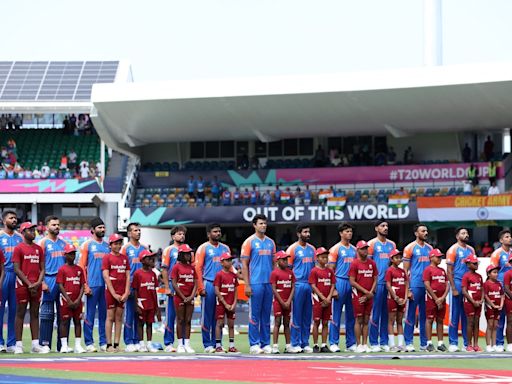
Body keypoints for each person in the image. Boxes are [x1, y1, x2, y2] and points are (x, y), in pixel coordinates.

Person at [241, 214, 276, 354]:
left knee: (266, 314)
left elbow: (274, 264)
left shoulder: (271, 242)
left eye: (265, 223)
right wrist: (246, 284)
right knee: (254, 315)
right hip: (255, 283)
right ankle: (254, 344)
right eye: (261, 223)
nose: (264, 226)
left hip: (268, 283)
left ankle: (265, 343)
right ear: (254, 225)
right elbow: (244, 264)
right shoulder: (249, 242)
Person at [12, 222, 49, 354]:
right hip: (23, 285)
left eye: (34, 230)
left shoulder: (39, 249)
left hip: (36, 286)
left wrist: (38, 283)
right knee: (20, 313)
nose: (33, 232)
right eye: (30, 230)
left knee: (35, 313)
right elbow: (17, 269)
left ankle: (35, 344)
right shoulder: (19, 248)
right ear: (23, 232)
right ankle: (18, 345)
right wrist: (29, 284)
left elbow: (43, 268)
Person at [195, 223, 231, 352]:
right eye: (215, 231)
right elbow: (198, 268)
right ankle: (207, 344)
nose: (218, 234)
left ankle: (218, 343)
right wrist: (200, 287)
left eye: (219, 231)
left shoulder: (225, 248)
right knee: (207, 315)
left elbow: (229, 267)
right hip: (209, 283)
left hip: (223, 286)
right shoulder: (203, 248)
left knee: (219, 316)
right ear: (208, 234)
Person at [79, 217, 110, 352]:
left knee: (104, 315)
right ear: (92, 230)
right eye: (99, 228)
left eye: (103, 227)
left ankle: (103, 342)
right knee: (90, 315)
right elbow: (81, 266)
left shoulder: (107, 246)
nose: (102, 230)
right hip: (92, 285)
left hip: (105, 286)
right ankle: (89, 342)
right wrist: (85, 285)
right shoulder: (87, 245)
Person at [39, 215, 68, 352]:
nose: (57, 227)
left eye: (58, 225)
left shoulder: (63, 244)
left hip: (63, 281)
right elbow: (39, 265)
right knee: (47, 314)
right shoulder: (43, 243)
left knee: (64, 314)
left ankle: (62, 345)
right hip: (49, 280)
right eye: (53, 225)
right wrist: (42, 282)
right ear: (46, 227)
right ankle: (45, 344)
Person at [403, 223, 433, 352]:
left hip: (427, 286)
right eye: (423, 231)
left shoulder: (430, 248)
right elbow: (405, 270)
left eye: (426, 231)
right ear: (416, 233)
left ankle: (423, 343)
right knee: (410, 315)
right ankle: (408, 342)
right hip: (414, 285)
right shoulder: (410, 248)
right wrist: (408, 289)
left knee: (424, 316)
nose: (426, 233)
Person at [368, 220, 396, 352]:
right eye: (382, 226)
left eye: (387, 226)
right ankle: (373, 342)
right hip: (377, 283)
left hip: (390, 284)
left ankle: (384, 341)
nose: (385, 228)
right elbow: (367, 264)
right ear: (376, 228)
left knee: (387, 314)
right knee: (375, 313)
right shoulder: (371, 244)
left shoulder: (392, 245)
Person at [445, 227, 475, 352]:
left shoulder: (471, 250)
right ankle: (453, 342)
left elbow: (473, 266)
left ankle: (466, 343)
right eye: (463, 233)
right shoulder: (453, 249)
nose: (466, 235)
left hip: (468, 284)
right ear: (457, 236)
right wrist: (453, 287)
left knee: (467, 314)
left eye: (467, 233)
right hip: (457, 282)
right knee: (455, 313)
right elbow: (449, 270)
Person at [286, 224, 315, 353]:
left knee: (307, 316)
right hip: (297, 284)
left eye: (309, 232)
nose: (308, 234)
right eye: (305, 232)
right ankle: (295, 342)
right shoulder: (292, 249)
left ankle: (305, 342)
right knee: (296, 315)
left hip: (309, 285)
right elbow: (288, 270)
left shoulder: (312, 249)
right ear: (299, 234)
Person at [328, 223, 357, 353]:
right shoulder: (335, 249)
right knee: (336, 315)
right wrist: (332, 288)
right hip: (339, 281)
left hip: (351, 283)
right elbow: (330, 270)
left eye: (350, 231)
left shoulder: (355, 250)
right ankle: (333, 342)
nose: (349, 234)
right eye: (346, 231)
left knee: (351, 315)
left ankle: (350, 343)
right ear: (341, 233)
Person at [120, 222, 147, 352]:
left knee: (140, 314)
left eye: (139, 230)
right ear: (129, 233)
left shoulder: (144, 248)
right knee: (129, 314)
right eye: (135, 230)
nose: (138, 232)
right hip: (130, 285)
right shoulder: (125, 249)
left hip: (143, 286)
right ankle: (129, 341)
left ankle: (138, 340)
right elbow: (122, 268)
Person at [102, 234, 130, 352]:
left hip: (122, 291)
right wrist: (113, 294)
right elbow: (106, 277)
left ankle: (117, 344)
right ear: (110, 245)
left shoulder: (124, 258)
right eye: (115, 243)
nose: (118, 245)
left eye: (119, 243)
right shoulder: (107, 258)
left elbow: (128, 276)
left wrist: (127, 292)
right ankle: (109, 345)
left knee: (119, 318)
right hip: (111, 292)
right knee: (110, 317)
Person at [161, 225, 187, 352]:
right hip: (173, 284)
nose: (182, 236)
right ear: (173, 236)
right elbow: (164, 269)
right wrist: (166, 287)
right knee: (171, 315)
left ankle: (183, 343)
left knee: (184, 316)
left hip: (185, 286)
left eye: (183, 234)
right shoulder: (169, 250)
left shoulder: (187, 250)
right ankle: (168, 343)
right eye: (179, 234)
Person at [0, 210, 23, 352]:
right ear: (4, 221)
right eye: (11, 218)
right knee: (0, 310)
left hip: (17, 276)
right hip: (3, 275)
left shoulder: (20, 238)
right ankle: (0, 342)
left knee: (14, 311)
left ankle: (11, 343)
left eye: (15, 218)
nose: (14, 220)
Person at [349, 240, 377, 353]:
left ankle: (365, 344)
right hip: (358, 295)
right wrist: (366, 292)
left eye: (366, 248)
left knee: (366, 320)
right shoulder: (355, 263)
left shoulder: (372, 263)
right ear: (358, 250)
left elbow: (375, 278)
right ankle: (358, 344)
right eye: (363, 248)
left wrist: (370, 293)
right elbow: (352, 281)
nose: (365, 250)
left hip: (369, 295)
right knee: (358, 319)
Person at [56, 244, 85, 354]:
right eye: (70, 254)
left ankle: (78, 345)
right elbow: (60, 285)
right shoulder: (62, 269)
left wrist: (78, 299)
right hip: (65, 300)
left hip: (77, 300)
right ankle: (64, 346)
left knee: (78, 322)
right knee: (64, 322)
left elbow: (82, 285)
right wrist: (68, 299)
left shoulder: (79, 269)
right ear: (65, 255)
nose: (72, 256)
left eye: (74, 253)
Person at [131, 249, 159, 353]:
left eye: (152, 258)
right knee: (140, 324)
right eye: (148, 258)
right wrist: (137, 305)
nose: (151, 260)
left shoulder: (153, 274)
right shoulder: (138, 274)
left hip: (151, 303)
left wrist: (157, 306)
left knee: (150, 324)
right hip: (141, 303)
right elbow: (135, 290)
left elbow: (154, 291)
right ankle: (141, 344)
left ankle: (149, 344)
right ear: (142, 261)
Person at [171, 244, 197, 353]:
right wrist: (183, 296)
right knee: (180, 320)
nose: (188, 255)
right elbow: (174, 282)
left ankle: (187, 344)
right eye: (186, 253)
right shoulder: (176, 267)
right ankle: (180, 344)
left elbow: (196, 283)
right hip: (179, 297)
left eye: (189, 253)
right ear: (181, 255)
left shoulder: (192, 267)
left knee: (188, 320)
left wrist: (191, 296)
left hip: (190, 297)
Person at [309, 247, 336, 353]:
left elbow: (333, 284)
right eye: (322, 257)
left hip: (328, 300)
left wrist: (329, 297)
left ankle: (324, 344)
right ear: (317, 258)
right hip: (317, 300)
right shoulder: (314, 271)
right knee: (316, 321)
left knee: (325, 322)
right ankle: (315, 345)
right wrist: (322, 297)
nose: (325, 259)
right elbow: (313, 285)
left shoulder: (330, 271)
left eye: (326, 257)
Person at [489, 229, 512, 352]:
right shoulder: (497, 253)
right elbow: (492, 272)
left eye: (510, 236)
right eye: (507, 237)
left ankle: (510, 343)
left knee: (510, 318)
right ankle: (499, 343)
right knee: (500, 317)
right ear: (501, 240)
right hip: (500, 289)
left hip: (511, 290)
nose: (510, 238)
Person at [423, 248, 449, 352]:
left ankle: (440, 343)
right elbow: (427, 284)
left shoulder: (442, 270)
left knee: (440, 320)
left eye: (441, 257)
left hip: (442, 299)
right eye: (438, 257)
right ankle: (429, 343)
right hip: (431, 298)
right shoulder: (428, 270)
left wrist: (442, 298)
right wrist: (436, 298)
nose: (440, 259)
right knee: (429, 319)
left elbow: (447, 285)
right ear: (431, 257)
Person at [213, 252, 239, 353]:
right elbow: (216, 290)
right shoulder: (219, 275)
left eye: (230, 260)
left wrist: (234, 303)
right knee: (219, 324)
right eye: (227, 260)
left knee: (231, 325)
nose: (230, 262)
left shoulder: (233, 275)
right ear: (222, 262)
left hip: (231, 303)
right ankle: (218, 346)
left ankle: (231, 346)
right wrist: (225, 303)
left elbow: (236, 290)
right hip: (221, 303)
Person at [270, 251, 295, 354]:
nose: (286, 262)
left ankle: (288, 346)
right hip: (278, 302)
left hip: (288, 302)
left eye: (286, 259)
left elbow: (293, 286)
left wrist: (288, 301)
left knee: (287, 323)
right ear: (278, 260)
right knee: (277, 322)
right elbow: (274, 289)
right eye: (283, 259)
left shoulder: (290, 272)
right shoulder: (274, 273)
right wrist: (282, 301)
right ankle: (275, 346)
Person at [385, 249, 408, 352]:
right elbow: (388, 285)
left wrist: (405, 298)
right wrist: (395, 297)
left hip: (402, 300)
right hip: (393, 299)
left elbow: (407, 284)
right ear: (391, 259)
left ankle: (400, 345)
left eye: (400, 257)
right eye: (396, 257)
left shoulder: (403, 271)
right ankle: (392, 345)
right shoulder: (389, 270)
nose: (399, 259)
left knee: (400, 321)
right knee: (391, 321)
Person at [461, 254, 483, 352]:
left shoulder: (479, 276)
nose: (476, 265)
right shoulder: (466, 276)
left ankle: (476, 345)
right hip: (470, 303)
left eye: (476, 263)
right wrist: (473, 301)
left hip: (478, 303)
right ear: (468, 264)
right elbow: (464, 291)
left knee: (477, 322)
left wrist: (481, 300)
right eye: (474, 263)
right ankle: (469, 345)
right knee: (470, 322)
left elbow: (482, 289)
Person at [484, 264, 504, 352]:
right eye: (494, 272)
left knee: (495, 326)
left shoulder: (499, 283)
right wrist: (492, 305)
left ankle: (494, 344)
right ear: (489, 274)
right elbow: (485, 296)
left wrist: (501, 305)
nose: (496, 274)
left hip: (498, 308)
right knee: (490, 325)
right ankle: (488, 345)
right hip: (490, 307)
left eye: (497, 272)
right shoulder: (486, 284)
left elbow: (502, 295)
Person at [503, 254, 512, 352]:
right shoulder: (508, 273)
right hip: (510, 300)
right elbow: (506, 288)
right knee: (510, 321)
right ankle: (510, 344)